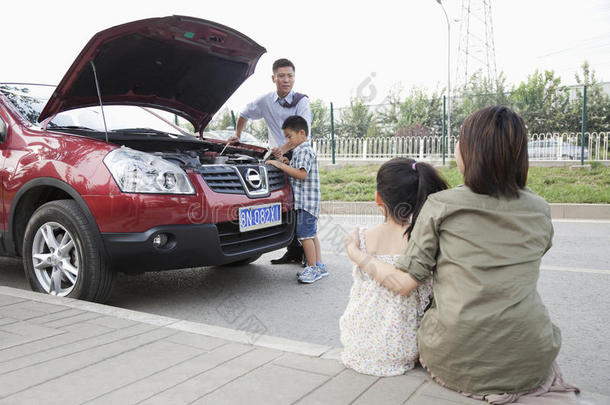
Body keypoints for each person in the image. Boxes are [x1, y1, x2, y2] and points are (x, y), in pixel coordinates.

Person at [345, 106, 579, 404]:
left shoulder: (442, 205)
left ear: (469, 152)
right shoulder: (539, 208)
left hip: (454, 360)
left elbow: (404, 283)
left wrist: (356, 254)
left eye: (460, 139)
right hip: (532, 357)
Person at [339, 158, 447, 376]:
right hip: (403, 347)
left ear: (379, 198)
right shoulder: (423, 239)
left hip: (357, 341)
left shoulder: (361, 237)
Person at [228, 58, 312, 265]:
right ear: (273, 78)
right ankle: (292, 250)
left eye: (290, 76)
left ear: (294, 77)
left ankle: (306, 253)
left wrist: (280, 153)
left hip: (297, 154)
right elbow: (244, 113)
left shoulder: (302, 101)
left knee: (300, 204)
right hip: (279, 155)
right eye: (281, 76)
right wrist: (237, 134)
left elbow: (303, 135)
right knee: (285, 202)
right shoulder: (265, 100)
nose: (286, 80)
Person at [266, 116, 326, 284]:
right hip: (310, 202)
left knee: (305, 236)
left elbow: (301, 174)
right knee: (312, 235)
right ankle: (319, 265)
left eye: (289, 136)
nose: (288, 141)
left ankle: (312, 269)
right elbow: (298, 168)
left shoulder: (303, 150)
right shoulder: (302, 150)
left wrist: (281, 166)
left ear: (301, 133)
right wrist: (287, 161)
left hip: (305, 202)